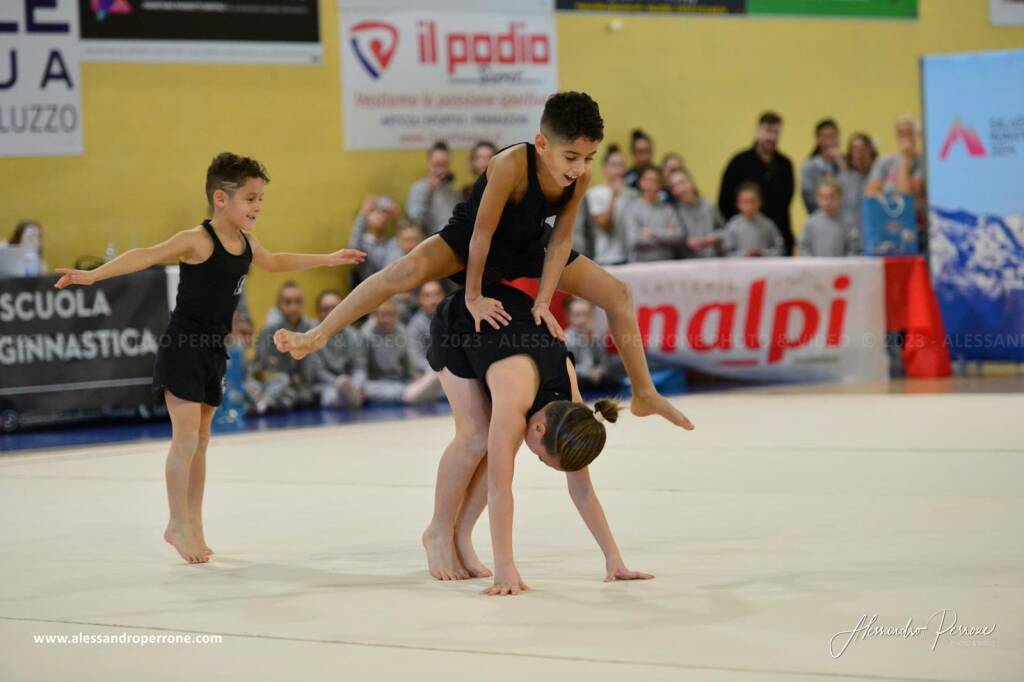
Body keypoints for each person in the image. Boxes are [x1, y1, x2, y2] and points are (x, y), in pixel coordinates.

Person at [274, 91, 695, 433]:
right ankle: (318, 335)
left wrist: (544, 300)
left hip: (530, 243)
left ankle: (644, 390)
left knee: (618, 293)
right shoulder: (509, 164)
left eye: (589, 158)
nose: (580, 168)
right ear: (543, 142)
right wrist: (472, 294)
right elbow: (482, 233)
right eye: (571, 157)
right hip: (472, 238)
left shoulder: (579, 177)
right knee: (401, 273)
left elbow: (563, 236)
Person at [53, 152, 366, 564]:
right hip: (183, 346)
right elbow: (146, 254)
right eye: (250, 199)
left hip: (214, 349)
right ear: (221, 198)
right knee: (185, 440)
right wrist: (93, 275)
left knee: (201, 441)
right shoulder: (197, 240)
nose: (257, 207)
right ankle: (175, 523)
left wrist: (327, 258)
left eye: (260, 200)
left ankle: (193, 522)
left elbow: (275, 262)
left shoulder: (248, 243)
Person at [422, 282, 654, 593]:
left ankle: (462, 535)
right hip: (460, 320)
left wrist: (614, 558)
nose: (538, 460)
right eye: (543, 459)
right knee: (477, 435)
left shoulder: (572, 416)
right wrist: (505, 570)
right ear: (540, 429)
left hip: (509, 326)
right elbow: (499, 489)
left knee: (501, 440)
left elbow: (582, 490)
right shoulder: (514, 401)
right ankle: (438, 531)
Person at [718, 111, 795, 255]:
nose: (771, 137)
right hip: (742, 242)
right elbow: (724, 202)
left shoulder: (785, 165)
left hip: (774, 239)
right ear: (757, 131)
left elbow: (786, 202)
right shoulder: (739, 162)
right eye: (767, 131)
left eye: (776, 132)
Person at [246, 281, 319, 414]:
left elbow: (310, 368)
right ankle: (269, 402)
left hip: (299, 386)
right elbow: (264, 369)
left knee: (305, 394)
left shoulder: (310, 329)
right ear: (279, 305)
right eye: (288, 302)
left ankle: (269, 403)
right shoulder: (268, 330)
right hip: (271, 383)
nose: (293, 307)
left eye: (298, 302)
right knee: (277, 382)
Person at [361, 298, 442, 405]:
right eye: (382, 314)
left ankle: (415, 391)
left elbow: (408, 362)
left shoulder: (403, 332)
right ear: (374, 315)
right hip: (376, 383)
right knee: (368, 389)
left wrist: (416, 376)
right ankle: (410, 395)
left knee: (421, 382)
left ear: (397, 315)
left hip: (400, 381)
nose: (386, 319)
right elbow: (361, 366)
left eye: (390, 314)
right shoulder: (365, 334)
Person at [308, 290, 366, 409]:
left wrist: (357, 385)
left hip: (351, 384)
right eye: (326, 309)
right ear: (318, 313)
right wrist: (339, 383)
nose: (331, 313)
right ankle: (342, 399)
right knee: (326, 395)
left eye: (335, 308)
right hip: (324, 385)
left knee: (369, 388)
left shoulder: (353, 335)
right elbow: (318, 373)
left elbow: (359, 367)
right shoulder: (310, 336)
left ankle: (350, 396)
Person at [621, 166, 686, 263]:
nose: (650, 184)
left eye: (654, 181)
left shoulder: (668, 209)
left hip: (666, 264)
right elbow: (634, 240)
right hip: (640, 265)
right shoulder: (631, 209)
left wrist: (653, 232)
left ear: (660, 185)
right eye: (647, 180)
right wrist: (666, 234)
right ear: (641, 182)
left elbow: (678, 236)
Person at [585, 143, 636, 266]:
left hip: (632, 258)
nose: (619, 170)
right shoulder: (595, 193)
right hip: (607, 258)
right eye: (614, 165)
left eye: (622, 165)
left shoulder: (633, 194)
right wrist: (614, 195)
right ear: (605, 168)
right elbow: (605, 226)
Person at [564, 298, 622, 391]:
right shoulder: (566, 338)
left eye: (586, 314)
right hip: (579, 377)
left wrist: (599, 371)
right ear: (569, 317)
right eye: (577, 315)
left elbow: (603, 361)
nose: (582, 319)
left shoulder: (595, 336)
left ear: (591, 316)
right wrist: (588, 372)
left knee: (616, 383)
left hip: (596, 376)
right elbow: (568, 365)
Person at [665, 168, 724, 258]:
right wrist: (686, 242)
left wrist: (714, 237)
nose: (680, 188)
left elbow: (724, 230)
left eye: (682, 182)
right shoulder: (673, 212)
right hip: (688, 262)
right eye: (674, 186)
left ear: (691, 182)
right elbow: (673, 240)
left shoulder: (708, 205)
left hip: (712, 259)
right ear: (672, 191)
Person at [406, 141, 462, 236]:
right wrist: (428, 192)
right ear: (428, 163)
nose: (440, 170)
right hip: (427, 242)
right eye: (436, 165)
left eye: (444, 165)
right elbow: (414, 218)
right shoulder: (418, 189)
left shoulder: (453, 191)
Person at [797, 177, 861, 257]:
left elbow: (853, 248)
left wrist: (845, 264)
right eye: (823, 197)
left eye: (831, 197)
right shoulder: (810, 222)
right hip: (816, 267)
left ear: (840, 197)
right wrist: (812, 263)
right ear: (817, 198)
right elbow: (803, 247)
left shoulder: (847, 222)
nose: (827, 202)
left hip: (840, 268)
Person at [348, 195, 402, 284]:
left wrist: (397, 219)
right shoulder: (363, 244)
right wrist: (363, 215)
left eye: (384, 212)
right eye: (374, 211)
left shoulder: (392, 243)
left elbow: (408, 240)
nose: (380, 215)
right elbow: (353, 248)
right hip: (371, 291)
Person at [721, 182, 784, 257]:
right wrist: (744, 254)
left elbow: (780, 249)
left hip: (763, 267)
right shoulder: (733, 226)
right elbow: (726, 252)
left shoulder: (768, 225)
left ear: (759, 202)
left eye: (752, 201)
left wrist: (762, 253)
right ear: (738, 203)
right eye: (745, 202)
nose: (749, 206)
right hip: (740, 267)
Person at [800, 118, 842, 214]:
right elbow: (808, 197)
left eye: (832, 136)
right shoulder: (810, 166)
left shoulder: (845, 164)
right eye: (824, 137)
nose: (829, 141)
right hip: (819, 218)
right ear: (818, 139)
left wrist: (841, 163)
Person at [838, 132, 877, 233]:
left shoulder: (879, 177)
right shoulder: (842, 179)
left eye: (862, 149)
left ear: (870, 151)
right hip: (849, 234)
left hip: (875, 232)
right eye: (855, 149)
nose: (859, 154)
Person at [406, 280, 445, 374]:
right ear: (420, 300)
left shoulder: (454, 319)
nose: (433, 300)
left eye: (437, 294)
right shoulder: (415, 325)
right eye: (427, 296)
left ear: (445, 296)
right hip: (428, 373)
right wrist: (441, 371)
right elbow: (416, 360)